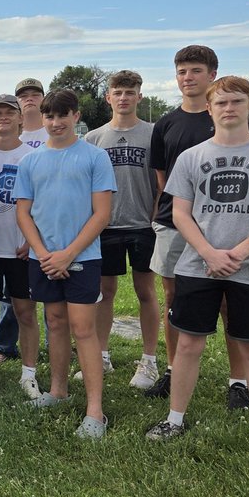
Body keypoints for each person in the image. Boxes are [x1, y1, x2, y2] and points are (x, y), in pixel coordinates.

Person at [145, 76, 249, 456]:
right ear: (210, 109)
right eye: (221, 103)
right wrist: (210, 253)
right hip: (197, 267)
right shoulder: (192, 157)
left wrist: (238, 253)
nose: (228, 108)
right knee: (188, 345)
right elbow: (179, 214)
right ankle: (174, 419)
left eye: (236, 101)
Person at [148, 45, 249, 408]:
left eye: (195, 70)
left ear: (212, 74)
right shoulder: (165, 124)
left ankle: (238, 380)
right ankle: (171, 369)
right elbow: (164, 178)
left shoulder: (232, 115)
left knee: (230, 302)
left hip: (227, 226)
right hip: (175, 223)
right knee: (173, 299)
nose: (187, 77)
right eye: (181, 71)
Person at [14, 89, 116, 439]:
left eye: (63, 116)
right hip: (44, 259)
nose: (56, 123)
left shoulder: (94, 157)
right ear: (42, 119)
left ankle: (95, 412)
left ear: (76, 116)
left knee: (83, 328)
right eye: (49, 117)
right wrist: (43, 253)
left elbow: (102, 214)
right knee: (54, 321)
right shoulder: (30, 161)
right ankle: (58, 391)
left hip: (82, 258)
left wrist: (69, 253)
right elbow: (24, 213)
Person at [83, 70, 161, 389]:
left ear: (140, 96)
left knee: (146, 291)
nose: (124, 98)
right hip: (107, 225)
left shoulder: (155, 134)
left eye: (130, 92)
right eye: (118, 92)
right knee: (105, 293)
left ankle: (149, 361)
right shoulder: (94, 138)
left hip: (145, 223)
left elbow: (162, 184)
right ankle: (102, 356)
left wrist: (157, 220)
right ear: (108, 97)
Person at [0, 94, 41, 398]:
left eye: (8, 113)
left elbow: (43, 202)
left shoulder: (34, 156)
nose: (2, 118)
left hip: (20, 248)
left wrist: (32, 239)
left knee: (25, 312)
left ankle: (28, 374)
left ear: (19, 118)